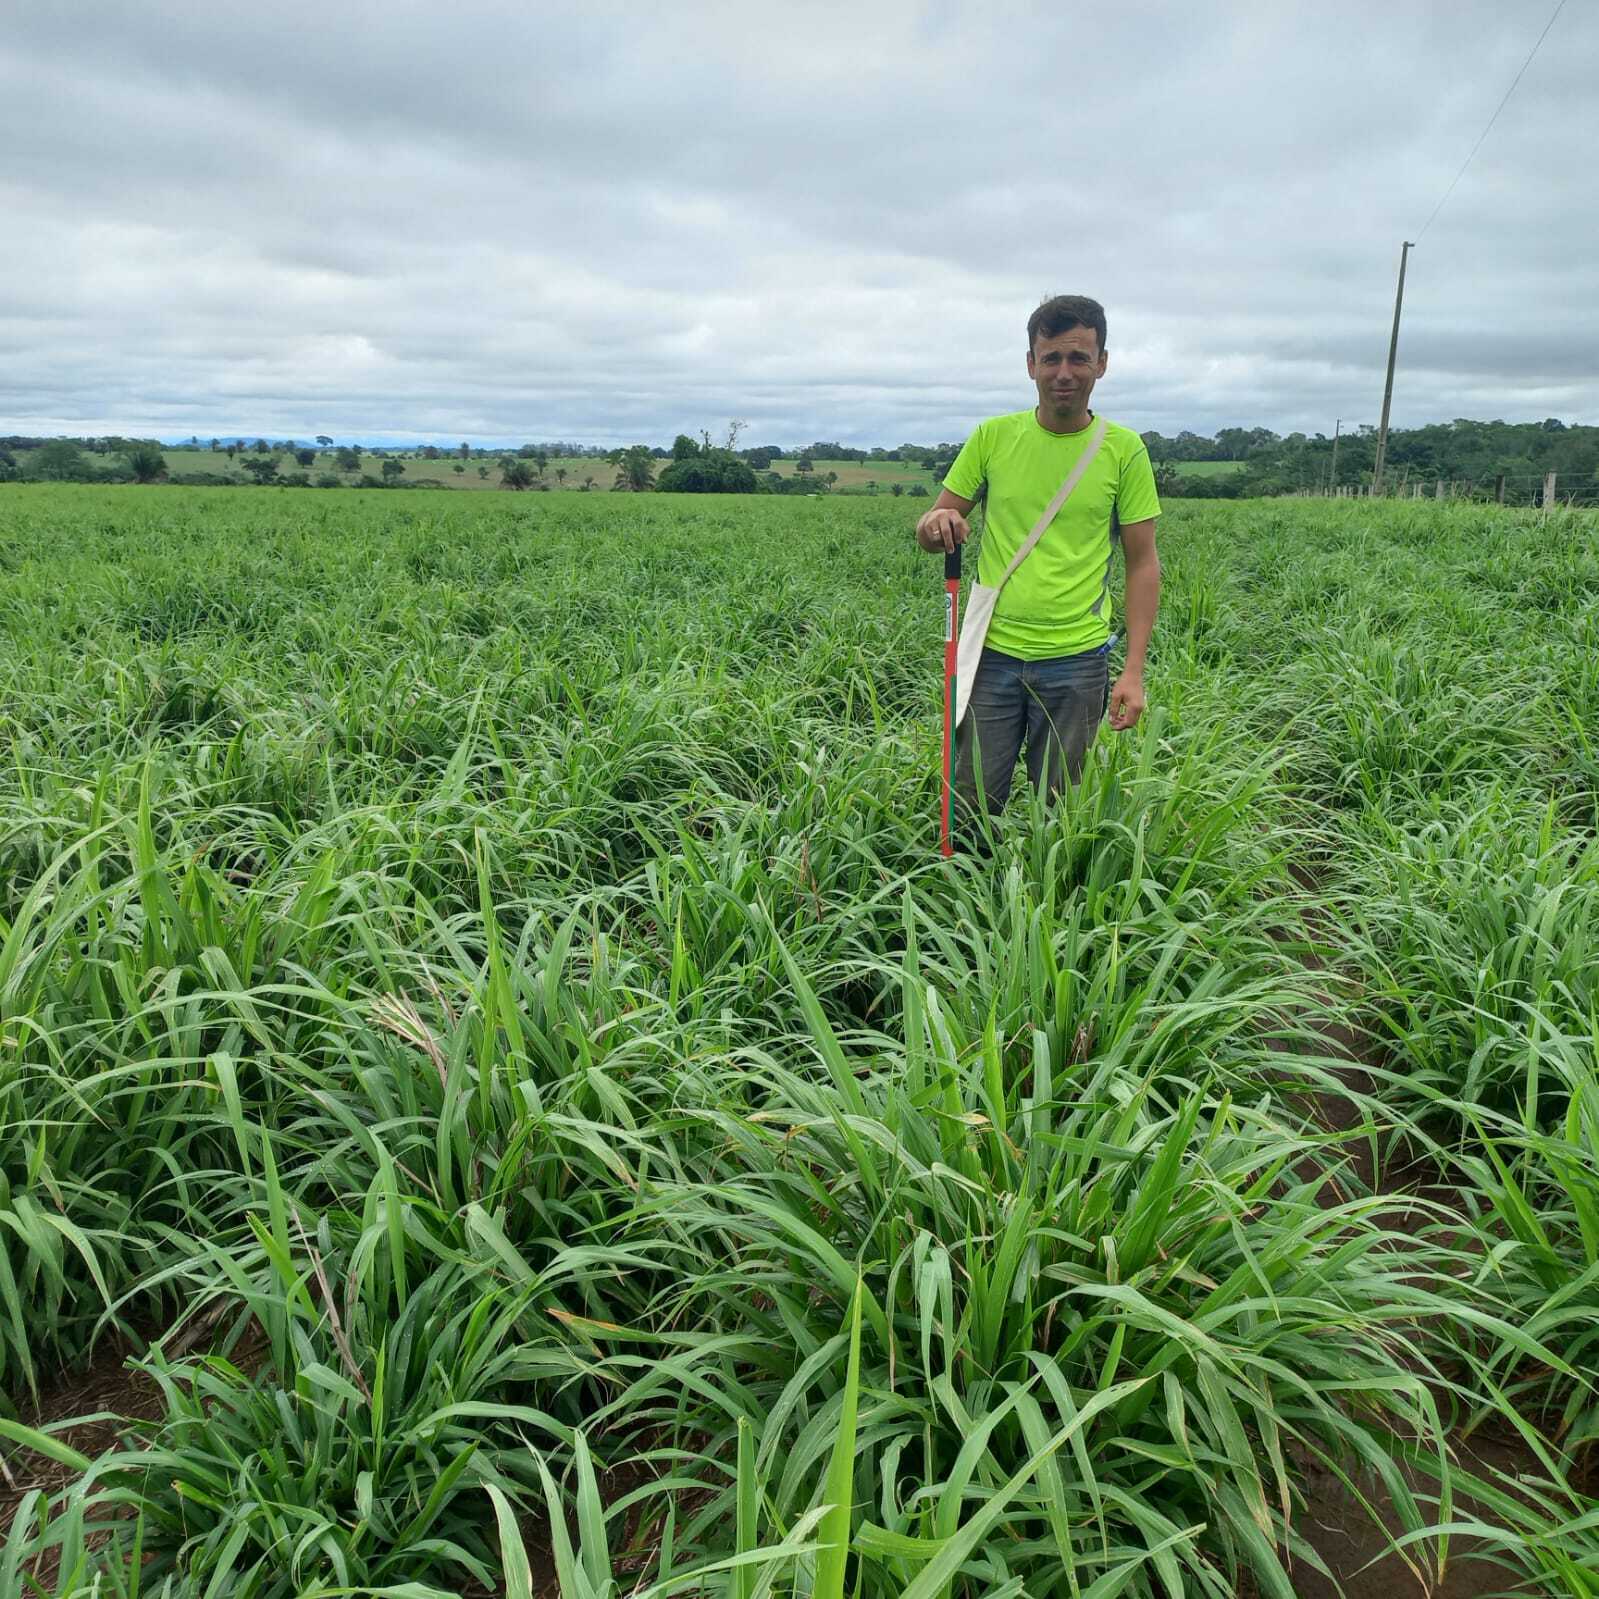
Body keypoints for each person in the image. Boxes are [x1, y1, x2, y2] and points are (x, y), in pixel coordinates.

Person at [916, 294, 1161, 838]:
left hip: (1077, 662)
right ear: (1030, 364)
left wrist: (1134, 671)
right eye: (1050, 359)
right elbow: (934, 525)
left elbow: (1142, 563)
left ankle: (1042, 911)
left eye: (1078, 358)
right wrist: (936, 527)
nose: (1064, 373)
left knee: (1059, 813)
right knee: (970, 804)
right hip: (993, 656)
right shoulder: (993, 438)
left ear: (1102, 363)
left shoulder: (1124, 451)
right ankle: (968, 906)